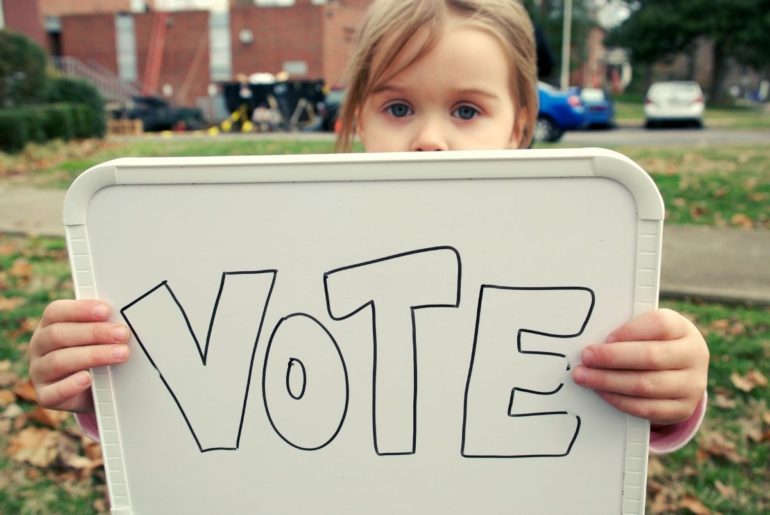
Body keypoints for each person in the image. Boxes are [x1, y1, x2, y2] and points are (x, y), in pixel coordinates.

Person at [29, 0, 708, 454]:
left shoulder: (572, 248)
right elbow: (217, 398)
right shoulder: (292, 243)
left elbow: (600, 410)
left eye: (467, 111)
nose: (430, 140)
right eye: (399, 106)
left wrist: (671, 389)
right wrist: (96, 379)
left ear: (521, 123)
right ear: (356, 116)